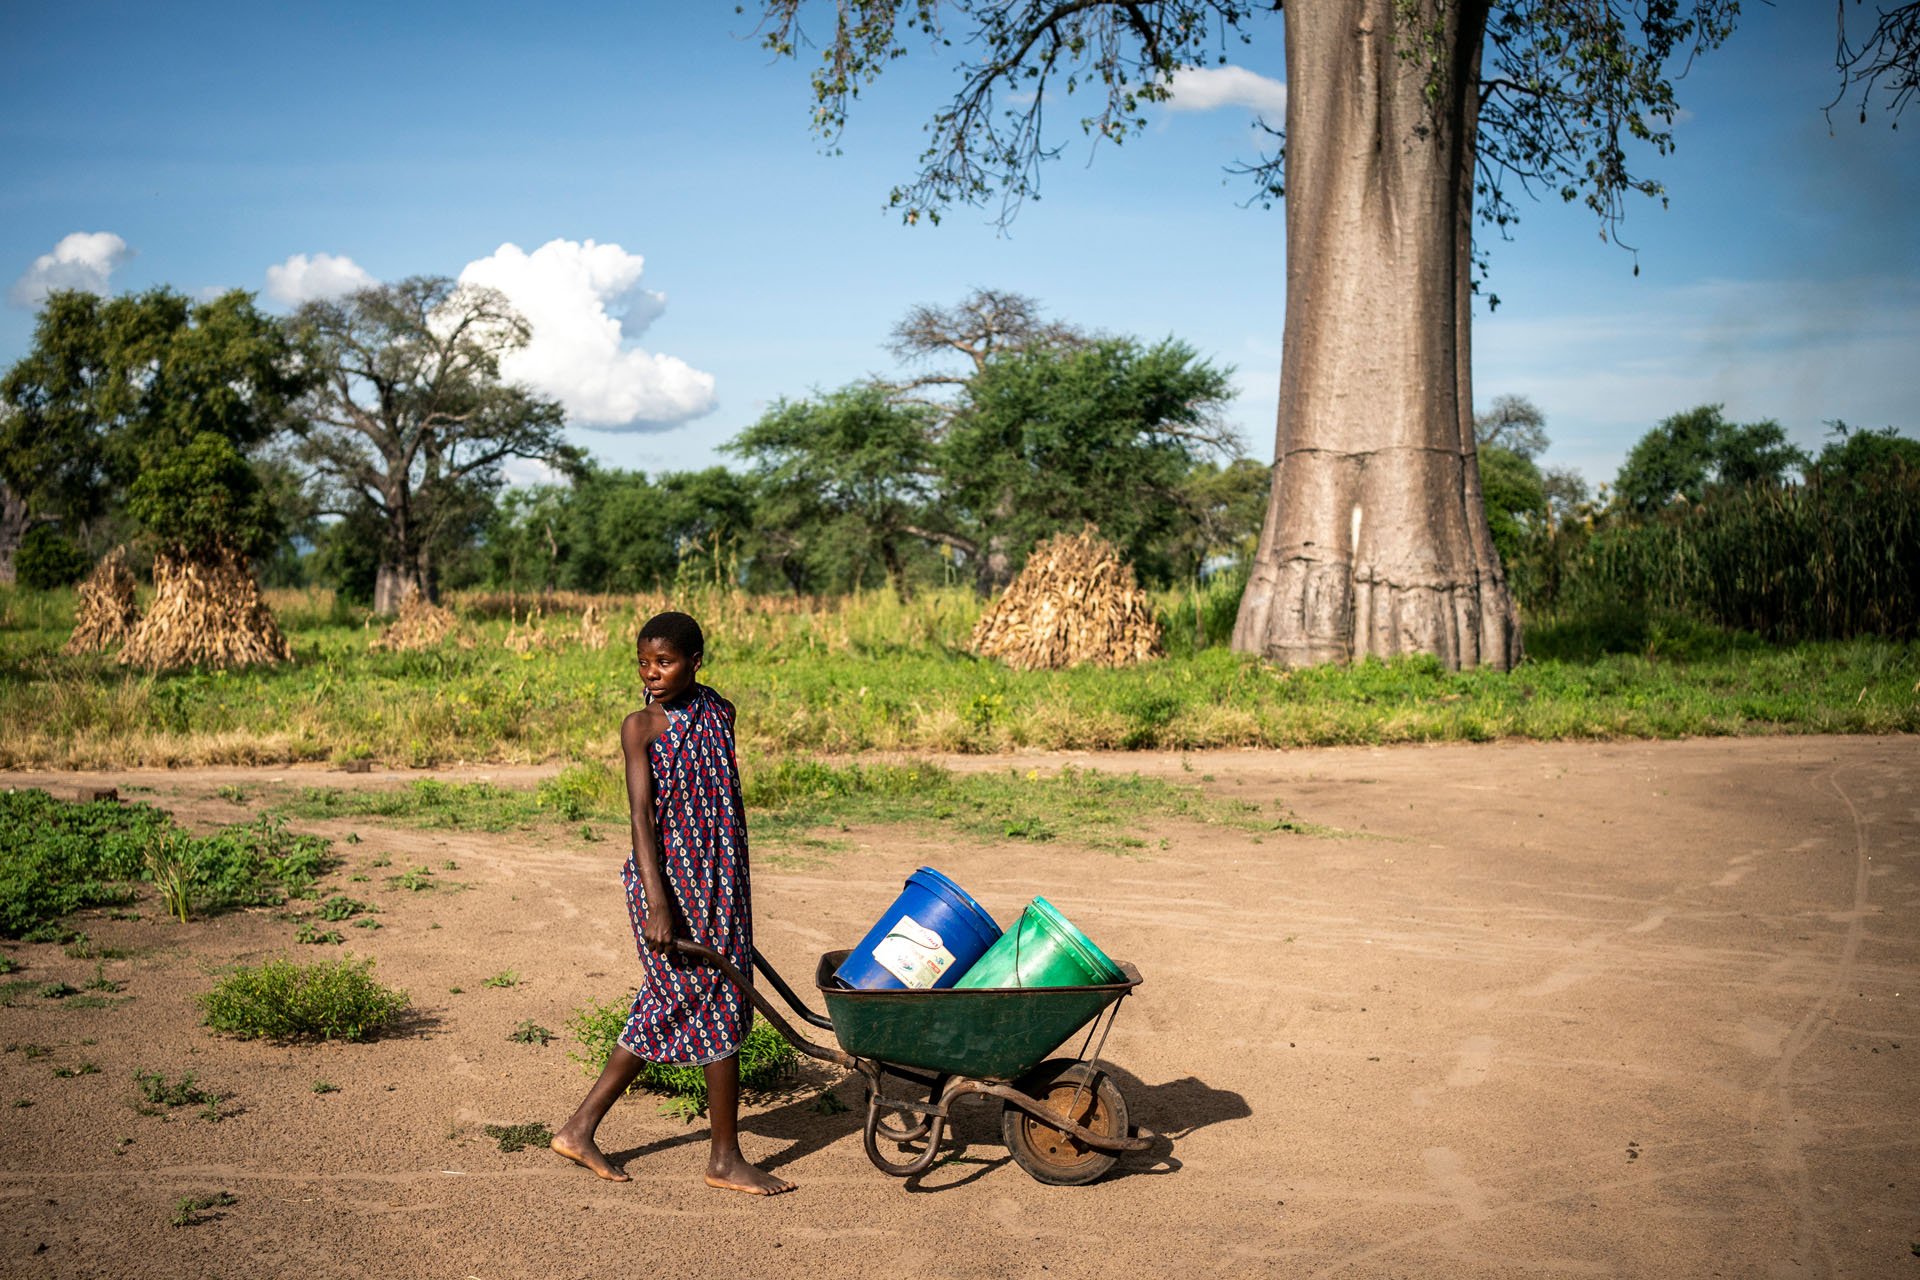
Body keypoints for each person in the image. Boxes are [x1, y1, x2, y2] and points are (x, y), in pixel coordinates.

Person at [550, 610, 794, 1196]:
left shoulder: (720, 712)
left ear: (695, 662)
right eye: (644, 663)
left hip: (722, 881)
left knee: (713, 997)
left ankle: (588, 1131)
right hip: (668, 886)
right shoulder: (641, 727)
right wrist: (657, 901)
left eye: (665, 662)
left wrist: (727, 886)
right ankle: (715, 1157)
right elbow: (640, 817)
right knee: (689, 995)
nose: (652, 673)